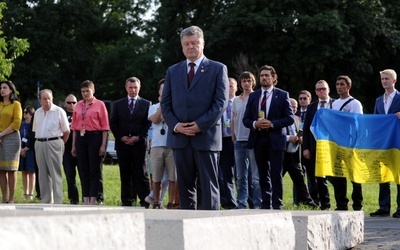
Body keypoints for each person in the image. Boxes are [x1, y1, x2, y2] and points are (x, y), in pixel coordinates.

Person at [161, 25, 229, 210]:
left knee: (208, 187)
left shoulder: (217, 69)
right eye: (186, 44)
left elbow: (220, 103)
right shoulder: (173, 71)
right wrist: (176, 126)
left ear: (203, 44)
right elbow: (165, 104)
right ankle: (188, 227)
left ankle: (211, 227)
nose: (190, 46)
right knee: (185, 188)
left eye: (194, 43)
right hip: (180, 138)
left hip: (205, 138)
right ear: (182, 46)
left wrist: (200, 125)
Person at [243, 65, 294, 210]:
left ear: (273, 78)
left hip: (276, 139)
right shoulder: (254, 96)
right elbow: (245, 119)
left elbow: (289, 118)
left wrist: (272, 124)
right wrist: (255, 124)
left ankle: (277, 204)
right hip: (259, 139)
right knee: (262, 174)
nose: (264, 78)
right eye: (261, 76)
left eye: (267, 75)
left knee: (276, 173)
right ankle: (266, 203)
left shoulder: (282, 95)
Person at [110, 77, 151, 207]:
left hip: (139, 144)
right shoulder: (118, 104)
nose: (133, 90)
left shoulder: (146, 104)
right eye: (130, 87)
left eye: (135, 87)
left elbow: (147, 123)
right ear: (126, 88)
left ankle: (145, 200)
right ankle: (127, 200)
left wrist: (139, 137)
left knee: (141, 173)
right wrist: (120, 137)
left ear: (139, 88)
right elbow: (113, 122)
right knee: (125, 173)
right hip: (123, 145)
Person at [71, 81, 109, 205]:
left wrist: (103, 145)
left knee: (94, 169)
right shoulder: (78, 105)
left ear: (93, 90)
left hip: (95, 137)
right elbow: (74, 127)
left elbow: (105, 127)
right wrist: (73, 145)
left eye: (87, 91)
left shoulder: (100, 105)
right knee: (83, 169)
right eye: (83, 91)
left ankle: (93, 198)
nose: (85, 94)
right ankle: (85, 198)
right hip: (81, 138)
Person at [330, 75, 363, 211]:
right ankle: (341, 204)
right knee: (338, 175)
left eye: (342, 84)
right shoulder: (334, 103)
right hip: (337, 144)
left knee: (354, 176)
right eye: (337, 84)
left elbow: (359, 123)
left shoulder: (355, 103)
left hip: (351, 144)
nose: (339, 87)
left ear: (348, 86)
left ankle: (357, 204)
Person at [370, 69, 400, 218]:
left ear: (394, 81)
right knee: (383, 174)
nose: (384, 81)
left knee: (399, 175)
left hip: (398, 142)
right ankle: (384, 206)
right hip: (383, 143)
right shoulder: (378, 100)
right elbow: (376, 122)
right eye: (382, 79)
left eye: (387, 79)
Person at [33, 89, 70, 204]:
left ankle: (58, 201)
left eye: (49, 98)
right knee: (42, 173)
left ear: (52, 99)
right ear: (40, 101)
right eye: (44, 99)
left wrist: (60, 143)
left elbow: (66, 131)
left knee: (55, 173)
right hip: (39, 143)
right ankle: (46, 200)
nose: (47, 101)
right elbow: (35, 130)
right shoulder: (37, 112)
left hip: (54, 142)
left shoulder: (59, 111)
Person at [231, 71, 262, 209]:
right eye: (244, 81)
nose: (246, 83)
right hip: (238, 140)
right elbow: (233, 118)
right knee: (240, 176)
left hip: (252, 140)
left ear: (253, 82)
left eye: (249, 81)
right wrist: (233, 134)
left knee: (255, 176)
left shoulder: (257, 97)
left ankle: (257, 203)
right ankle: (241, 203)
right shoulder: (236, 100)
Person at [302, 80, 332, 210]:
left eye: (323, 89)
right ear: (315, 92)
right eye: (319, 89)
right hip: (315, 146)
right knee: (318, 178)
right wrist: (306, 148)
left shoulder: (335, 104)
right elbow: (307, 128)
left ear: (328, 90)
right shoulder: (312, 107)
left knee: (336, 178)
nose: (321, 91)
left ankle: (342, 204)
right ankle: (323, 204)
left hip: (332, 145)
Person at [282, 98, 317, 208]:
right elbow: (274, 136)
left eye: (295, 108)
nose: (292, 109)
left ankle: (308, 202)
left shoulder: (298, 119)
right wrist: (288, 138)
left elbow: (301, 134)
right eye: (290, 107)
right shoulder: (279, 119)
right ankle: (272, 201)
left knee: (300, 180)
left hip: (294, 154)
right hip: (282, 154)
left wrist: (301, 140)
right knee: (276, 180)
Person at [147, 79, 176, 209]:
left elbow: (171, 119)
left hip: (171, 145)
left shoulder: (175, 105)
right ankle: (157, 201)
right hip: (157, 146)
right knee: (156, 176)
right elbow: (155, 119)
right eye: (162, 89)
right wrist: (162, 105)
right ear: (159, 91)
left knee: (172, 177)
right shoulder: (153, 107)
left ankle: (171, 202)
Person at [0, 80, 22, 203]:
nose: (2, 90)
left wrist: (1, 134)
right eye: (0, 88)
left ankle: (12, 198)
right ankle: (4, 198)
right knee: (1, 169)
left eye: (4, 87)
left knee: (11, 169)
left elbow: (17, 123)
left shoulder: (16, 104)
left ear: (11, 90)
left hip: (12, 137)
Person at [218, 77, 238, 209]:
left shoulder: (239, 102)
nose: (229, 88)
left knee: (240, 174)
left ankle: (243, 200)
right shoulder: (220, 102)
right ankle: (227, 201)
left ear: (236, 88)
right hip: (222, 140)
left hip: (237, 140)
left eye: (231, 86)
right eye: (227, 85)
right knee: (223, 174)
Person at [63, 94, 81, 204]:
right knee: (70, 175)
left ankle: (87, 198)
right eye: (69, 102)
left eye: (74, 102)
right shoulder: (62, 114)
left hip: (80, 149)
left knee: (84, 175)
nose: (72, 105)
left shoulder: (81, 113)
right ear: (65, 104)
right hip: (66, 149)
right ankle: (73, 199)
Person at [19, 106, 36, 200]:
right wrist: (21, 149)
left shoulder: (34, 125)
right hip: (21, 150)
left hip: (30, 150)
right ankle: (25, 193)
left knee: (31, 172)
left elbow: (33, 138)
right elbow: (19, 136)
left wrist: (26, 149)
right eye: (23, 112)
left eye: (26, 112)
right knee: (24, 172)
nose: (24, 114)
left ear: (31, 113)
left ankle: (31, 193)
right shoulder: (21, 125)